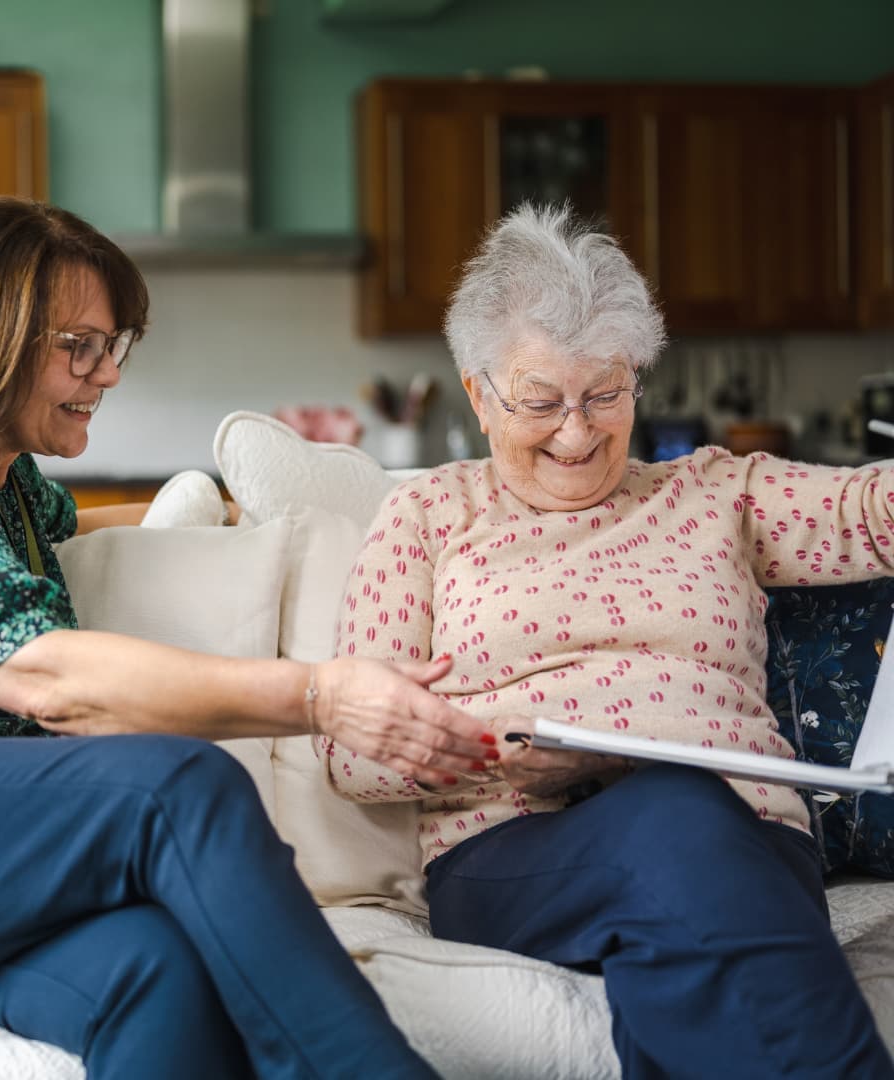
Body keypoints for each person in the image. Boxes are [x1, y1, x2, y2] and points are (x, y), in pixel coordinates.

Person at [0, 195, 501, 1079]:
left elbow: (90, 526)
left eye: (111, 346)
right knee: (176, 785)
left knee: (151, 969)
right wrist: (322, 694)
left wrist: (250, 514)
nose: (107, 373)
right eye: (79, 346)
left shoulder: (6, 493)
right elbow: (44, 678)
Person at [319, 202, 894, 1079]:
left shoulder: (714, 495)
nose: (578, 432)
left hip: (748, 836)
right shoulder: (430, 516)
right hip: (516, 848)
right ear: (478, 394)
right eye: (542, 401)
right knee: (677, 813)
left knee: (690, 879)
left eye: (605, 394)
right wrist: (487, 745)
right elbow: (350, 754)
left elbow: (870, 514)